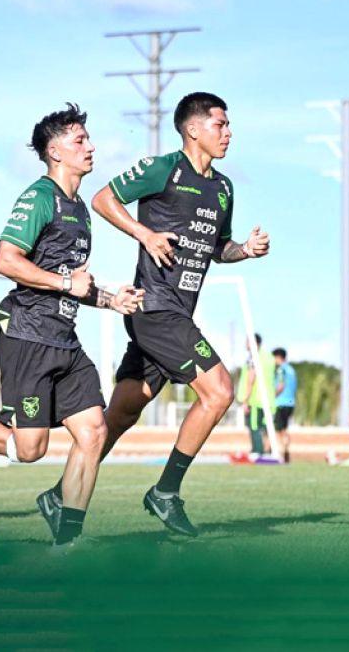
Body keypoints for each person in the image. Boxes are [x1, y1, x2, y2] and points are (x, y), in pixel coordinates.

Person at [0, 105, 144, 546]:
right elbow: (5, 260)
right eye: (80, 140)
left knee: (94, 432)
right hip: (27, 336)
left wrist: (112, 300)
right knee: (29, 450)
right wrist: (66, 282)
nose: (91, 147)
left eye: (88, 138)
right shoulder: (40, 197)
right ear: (55, 152)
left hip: (65, 341)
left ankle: (68, 541)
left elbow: (72, 284)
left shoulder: (81, 209)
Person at [90, 92, 270, 537]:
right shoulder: (162, 168)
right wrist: (145, 234)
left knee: (122, 413)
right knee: (219, 392)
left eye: (227, 125)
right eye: (220, 125)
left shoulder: (223, 188)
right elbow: (103, 199)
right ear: (193, 129)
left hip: (176, 313)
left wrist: (245, 250)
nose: (228, 133)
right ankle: (165, 492)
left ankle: (61, 494)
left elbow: (218, 248)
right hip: (154, 308)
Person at [238, 334, 276, 457]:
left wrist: (245, 400)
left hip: (255, 399)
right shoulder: (269, 357)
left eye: (247, 341)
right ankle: (268, 452)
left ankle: (257, 451)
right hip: (269, 399)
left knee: (254, 426)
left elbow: (251, 378)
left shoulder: (253, 357)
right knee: (265, 427)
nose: (245, 344)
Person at [272, 347, 297, 463]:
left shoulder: (281, 370)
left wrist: (272, 396)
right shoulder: (291, 370)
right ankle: (286, 451)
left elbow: (281, 385)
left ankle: (279, 453)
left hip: (281, 402)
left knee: (278, 430)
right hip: (291, 403)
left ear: (278, 357)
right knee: (285, 429)